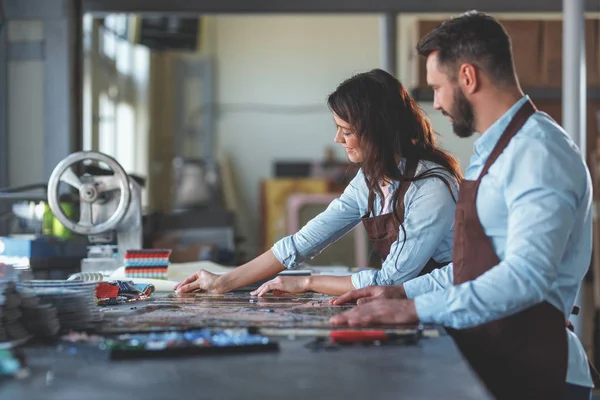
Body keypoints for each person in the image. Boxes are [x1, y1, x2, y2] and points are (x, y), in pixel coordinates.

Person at [330, 11, 597, 400]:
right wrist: (402, 293)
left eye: (438, 87)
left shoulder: (537, 153)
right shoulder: (493, 151)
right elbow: (473, 265)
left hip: (538, 371)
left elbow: (524, 278)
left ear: (468, 78)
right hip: (497, 358)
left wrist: (416, 310)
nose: (435, 103)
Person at [174, 69, 461, 296]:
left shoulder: (431, 187)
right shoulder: (370, 181)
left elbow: (391, 280)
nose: (338, 140)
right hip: (405, 303)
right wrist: (223, 282)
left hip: (448, 310)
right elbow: (300, 244)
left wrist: (306, 282)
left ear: (377, 132)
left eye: (346, 131)